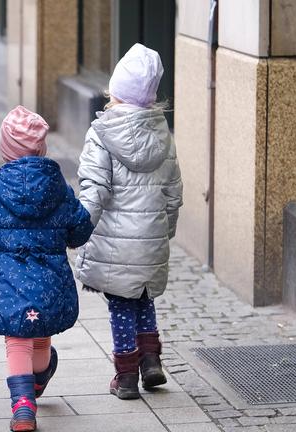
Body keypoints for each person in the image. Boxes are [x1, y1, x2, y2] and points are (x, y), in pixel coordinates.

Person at [0, 106, 94, 432]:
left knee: (17, 339)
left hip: (6, 282)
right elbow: (81, 228)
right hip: (50, 283)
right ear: (42, 149)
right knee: (40, 334)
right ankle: (38, 377)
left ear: (4, 150)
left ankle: (23, 405)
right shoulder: (59, 190)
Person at [75, 43, 183, 400]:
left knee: (121, 305)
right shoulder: (163, 135)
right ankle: (151, 362)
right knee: (144, 298)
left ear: (115, 92)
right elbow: (173, 192)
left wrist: (78, 229)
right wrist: (165, 231)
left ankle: (125, 377)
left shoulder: (102, 133)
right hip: (151, 239)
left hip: (115, 244)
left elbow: (94, 190)